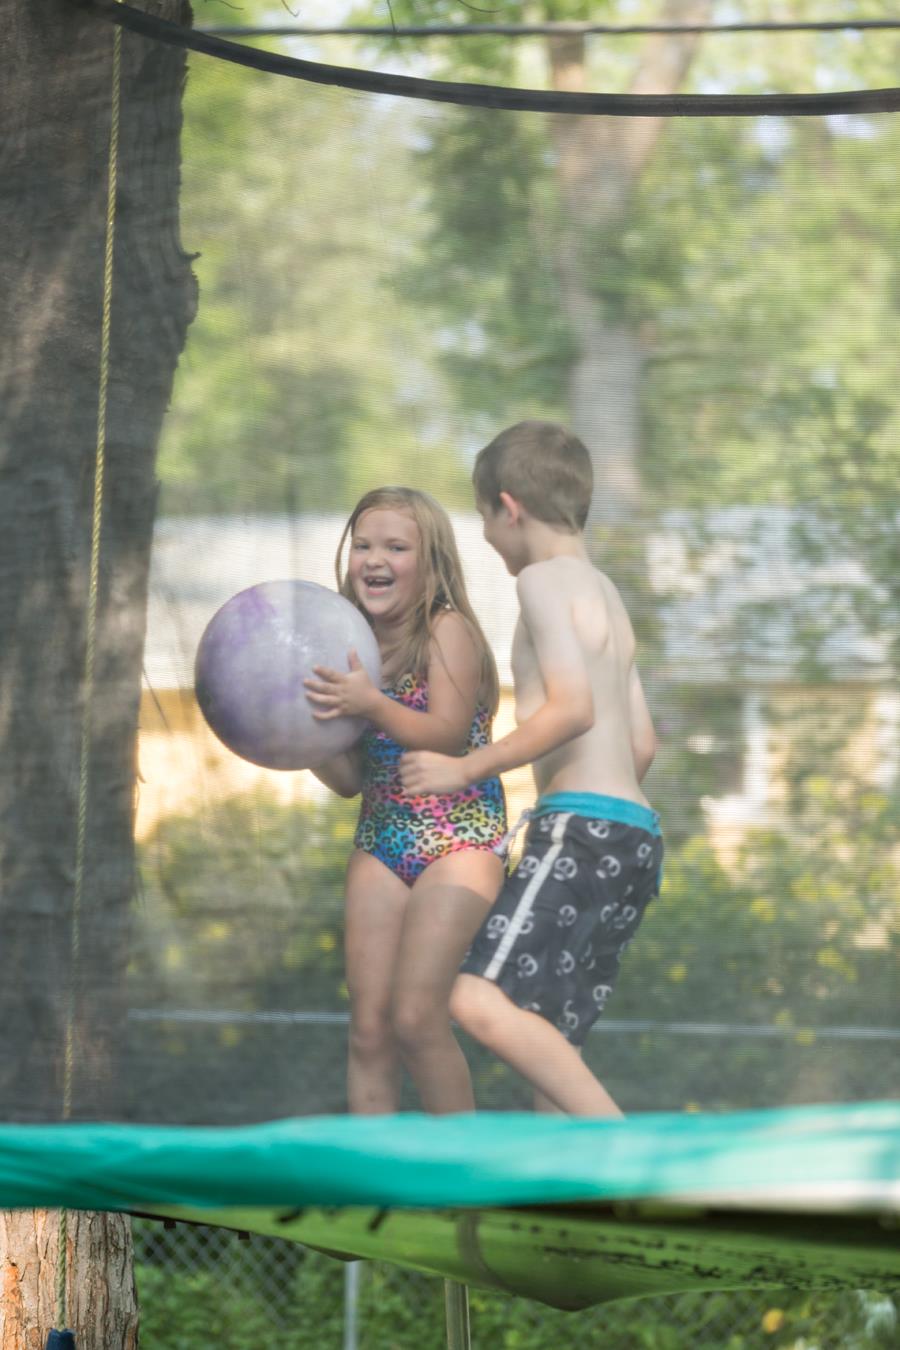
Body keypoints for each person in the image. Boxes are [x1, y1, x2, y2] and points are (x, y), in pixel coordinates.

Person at [400, 422, 662, 1117]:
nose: (486, 536)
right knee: (548, 1044)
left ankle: (624, 1148)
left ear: (508, 507)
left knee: (474, 998)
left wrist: (466, 769)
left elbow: (572, 709)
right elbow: (641, 745)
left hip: (582, 828)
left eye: (485, 517)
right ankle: (575, 1217)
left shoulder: (543, 583)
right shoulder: (605, 593)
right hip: (633, 833)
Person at [304, 487, 507, 1115]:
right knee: (370, 1029)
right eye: (363, 544)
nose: (374, 558)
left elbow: (445, 733)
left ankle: (464, 1193)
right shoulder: (346, 642)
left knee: (418, 1017)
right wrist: (292, 732)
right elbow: (347, 779)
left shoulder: (448, 631)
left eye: (396, 546)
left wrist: (369, 703)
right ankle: (379, 1198)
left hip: (462, 841)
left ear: (432, 563)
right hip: (382, 839)